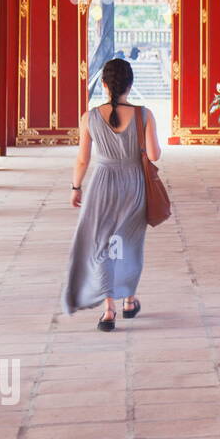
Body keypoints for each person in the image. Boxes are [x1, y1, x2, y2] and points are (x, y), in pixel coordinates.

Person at [62, 58, 161, 330]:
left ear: (104, 84)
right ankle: (129, 300)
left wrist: (75, 187)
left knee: (102, 245)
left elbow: (82, 160)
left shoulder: (90, 117)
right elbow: (154, 155)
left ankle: (108, 310)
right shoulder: (144, 114)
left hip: (101, 186)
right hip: (133, 184)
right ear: (131, 84)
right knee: (128, 244)